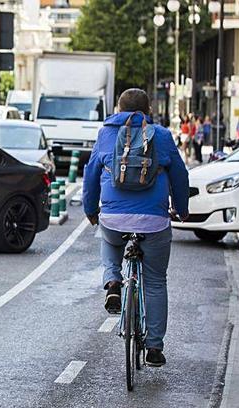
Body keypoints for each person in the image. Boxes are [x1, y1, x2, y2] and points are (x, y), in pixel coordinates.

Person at [82, 88, 190, 367]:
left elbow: (91, 173)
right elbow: (180, 174)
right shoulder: (162, 136)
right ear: (148, 110)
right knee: (155, 281)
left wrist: (90, 210)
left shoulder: (106, 134)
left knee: (109, 238)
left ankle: (113, 281)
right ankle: (154, 348)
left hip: (114, 218)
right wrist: (181, 208)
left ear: (118, 108)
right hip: (154, 222)